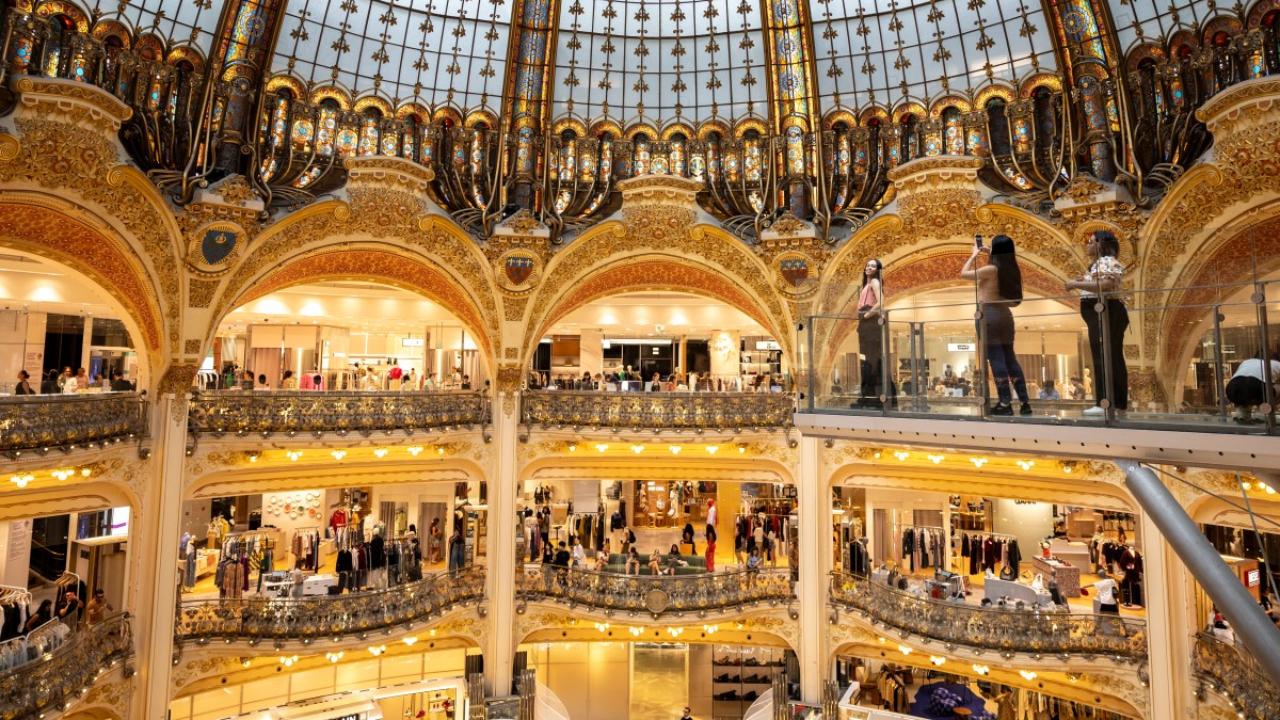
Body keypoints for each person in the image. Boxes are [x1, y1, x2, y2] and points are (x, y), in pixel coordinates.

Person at [962, 234, 1031, 416]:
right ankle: (1024, 402)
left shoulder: (991, 269)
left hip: (989, 316)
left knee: (996, 359)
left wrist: (974, 255)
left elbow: (964, 274)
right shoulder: (1011, 269)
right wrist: (989, 252)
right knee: (1010, 358)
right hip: (1006, 316)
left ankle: (1004, 402)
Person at [1065, 230, 1129, 416]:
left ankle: (1106, 402)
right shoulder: (1099, 263)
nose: (1088, 245)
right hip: (1102, 312)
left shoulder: (1106, 261)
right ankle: (1112, 402)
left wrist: (1076, 284)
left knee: (1105, 357)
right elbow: (1100, 282)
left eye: (1092, 242)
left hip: (1106, 311)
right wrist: (1084, 280)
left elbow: (1106, 285)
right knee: (1108, 356)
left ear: (1101, 244)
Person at [1226, 351, 1280, 423]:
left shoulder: (1246, 361)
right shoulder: (1277, 364)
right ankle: (1262, 413)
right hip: (1255, 386)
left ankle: (1242, 415)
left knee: (1244, 393)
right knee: (1274, 388)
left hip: (1231, 388)